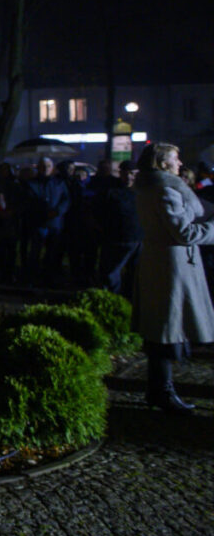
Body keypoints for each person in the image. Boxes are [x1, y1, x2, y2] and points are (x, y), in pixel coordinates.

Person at [133, 143, 214, 415]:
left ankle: (159, 390)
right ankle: (162, 391)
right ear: (162, 163)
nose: (180, 163)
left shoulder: (151, 187)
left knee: (164, 329)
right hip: (171, 266)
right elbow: (184, 233)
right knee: (166, 330)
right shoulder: (165, 189)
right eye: (175, 159)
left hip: (164, 263)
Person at [23, 157, 70, 285]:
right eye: (43, 166)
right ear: (38, 168)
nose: (45, 169)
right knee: (35, 252)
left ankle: (49, 277)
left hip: (55, 223)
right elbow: (28, 201)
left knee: (52, 252)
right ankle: (32, 278)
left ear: (52, 168)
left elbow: (66, 200)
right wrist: (43, 212)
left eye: (48, 166)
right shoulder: (31, 183)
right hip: (38, 223)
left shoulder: (59, 183)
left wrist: (57, 211)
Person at [98, 163, 141, 296]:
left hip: (138, 239)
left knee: (135, 274)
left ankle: (130, 300)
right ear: (120, 173)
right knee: (111, 273)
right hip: (117, 238)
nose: (129, 177)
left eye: (132, 173)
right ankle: (113, 300)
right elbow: (98, 213)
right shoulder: (111, 191)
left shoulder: (142, 191)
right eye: (126, 173)